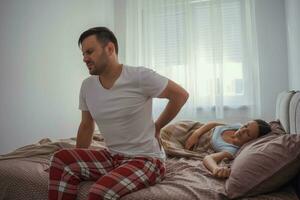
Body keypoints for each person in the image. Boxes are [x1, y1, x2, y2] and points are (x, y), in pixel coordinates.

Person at [48, 27, 189, 200]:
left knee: (98, 193)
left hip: (146, 160)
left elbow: (180, 95)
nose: (85, 58)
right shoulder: (87, 86)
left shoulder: (139, 76)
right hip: (112, 156)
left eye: (90, 52)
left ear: (110, 49)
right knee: (61, 159)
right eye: (83, 54)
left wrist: (157, 127)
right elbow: (86, 126)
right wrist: (78, 159)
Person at [184, 119, 271, 179]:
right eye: (245, 126)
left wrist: (216, 169)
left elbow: (208, 158)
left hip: (189, 141)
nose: (242, 130)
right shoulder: (237, 126)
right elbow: (213, 124)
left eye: (247, 134)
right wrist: (196, 133)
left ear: (252, 141)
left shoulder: (231, 150)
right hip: (195, 130)